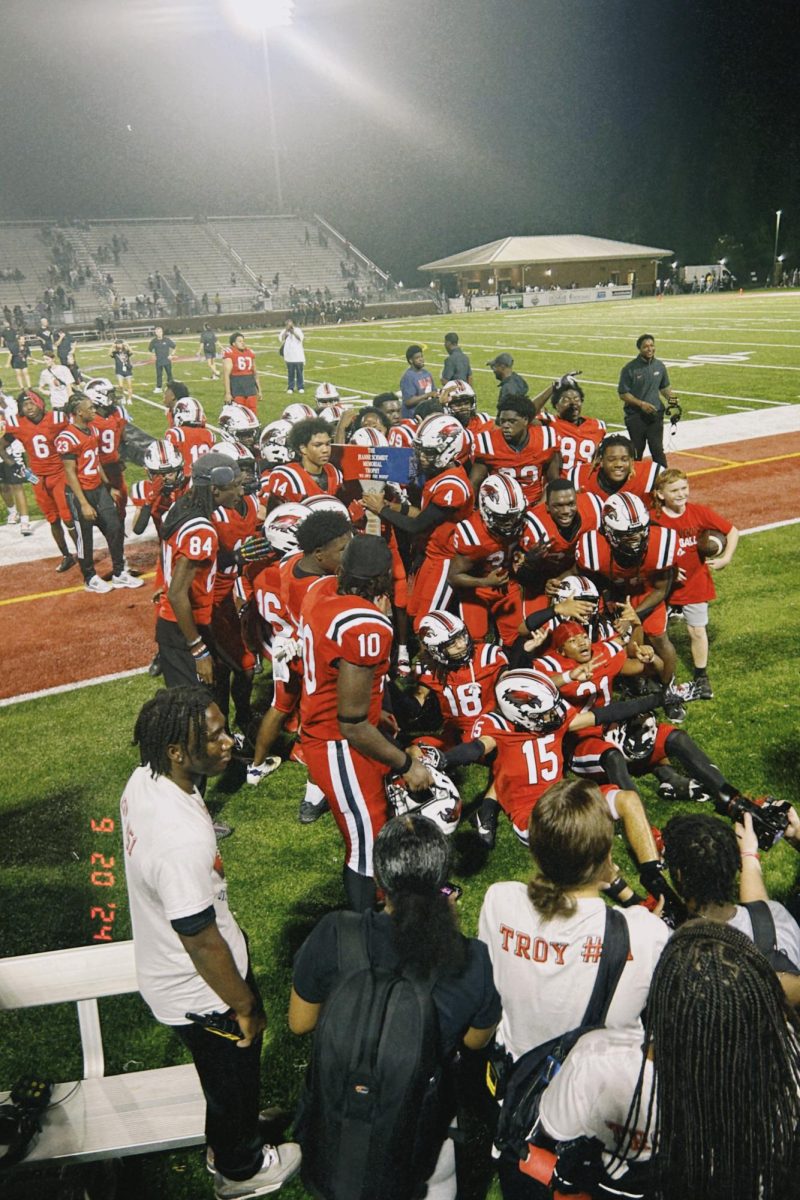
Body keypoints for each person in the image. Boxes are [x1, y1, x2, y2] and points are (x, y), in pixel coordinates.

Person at [122, 688, 301, 1199]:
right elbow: (199, 940)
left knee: (224, 1079)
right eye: (216, 737)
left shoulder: (146, 778)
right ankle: (239, 1168)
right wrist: (243, 1004)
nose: (230, 742)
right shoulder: (179, 842)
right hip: (202, 991)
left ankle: (230, 1136)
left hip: (173, 972)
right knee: (232, 1075)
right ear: (178, 750)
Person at [289, 814, 501, 1200]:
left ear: (380, 882)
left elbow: (300, 1022)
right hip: (423, 1141)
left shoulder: (334, 931)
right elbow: (475, 1042)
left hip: (335, 1129)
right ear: (442, 883)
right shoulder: (473, 960)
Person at [478, 778, 669, 1200]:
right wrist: (620, 887)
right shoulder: (644, 933)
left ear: (535, 848)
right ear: (606, 857)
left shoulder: (498, 901)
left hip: (517, 1099)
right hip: (596, 1116)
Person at [297, 535, 433, 910]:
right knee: (365, 844)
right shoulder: (366, 627)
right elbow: (352, 722)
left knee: (373, 827)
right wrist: (407, 764)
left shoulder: (320, 592)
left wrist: (375, 709)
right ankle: (364, 931)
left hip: (324, 727)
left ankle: (377, 904)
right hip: (338, 744)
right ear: (384, 580)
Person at [155, 452, 243, 690]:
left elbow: (168, 551)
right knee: (195, 706)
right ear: (215, 490)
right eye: (235, 486)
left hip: (174, 624)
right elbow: (176, 593)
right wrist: (197, 647)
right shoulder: (201, 530)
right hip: (185, 624)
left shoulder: (182, 504)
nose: (240, 493)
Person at [652, 468, 739, 699]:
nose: (681, 494)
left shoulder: (699, 513)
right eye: (674, 490)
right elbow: (645, 551)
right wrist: (667, 569)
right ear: (660, 494)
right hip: (663, 586)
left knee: (697, 631)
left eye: (684, 488)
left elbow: (732, 531)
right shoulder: (654, 519)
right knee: (655, 633)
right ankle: (655, 675)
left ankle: (701, 676)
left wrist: (726, 558)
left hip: (695, 583)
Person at [54, 391, 142, 593]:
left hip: (98, 488)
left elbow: (96, 461)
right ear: (78, 412)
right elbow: (70, 473)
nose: (94, 410)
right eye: (90, 408)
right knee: (85, 538)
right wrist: (83, 502)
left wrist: (108, 485)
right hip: (80, 492)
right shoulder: (67, 437)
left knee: (114, 527)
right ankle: (90, 577)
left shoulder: (91, 430)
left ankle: (119, 573)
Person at [3, 389, 76, 563]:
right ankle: (66, 556)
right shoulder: (17, 423)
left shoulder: (56, 418)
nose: (28, 407)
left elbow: (74, 437)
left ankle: (83, 555)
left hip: (59, 474)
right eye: (24, 404)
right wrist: (15, 466)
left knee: (69, 518)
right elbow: (2, 445)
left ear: (40, 403)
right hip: (38, 478)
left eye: (31, 403)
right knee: (52, 519)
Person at [470, 395, 560, 507]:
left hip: (534, 504)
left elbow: (553, 481)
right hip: (500, 507)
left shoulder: (545, 439)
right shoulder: (487, 443)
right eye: (503, 421)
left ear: (526, 420)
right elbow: (474, 484)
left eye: (512, 421)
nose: (506, 426)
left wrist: (539, 508)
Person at [617, 334, 677, 468]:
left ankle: (663, 478)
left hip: (655, 415)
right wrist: (641, 404)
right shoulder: (630, 369)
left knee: (657, 450)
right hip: (636, 417)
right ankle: (634, 482)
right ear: (639, 349)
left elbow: (664, 388)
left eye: (651, 345)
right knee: (637, 452)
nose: (649, 349)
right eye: (645, 347)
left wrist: (674, 402)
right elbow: (623, 394)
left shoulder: (660, 366)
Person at [262, 418, 343, 507]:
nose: (325, 450)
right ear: (303, 448)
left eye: (328, 444)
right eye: (318, 445)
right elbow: (274, 516)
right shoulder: (286, 477)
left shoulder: (334, 472)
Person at [223, 333, 260, 415]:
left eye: (243, 341)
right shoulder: (230, 353)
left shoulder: (249, 352)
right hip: (237, 386)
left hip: (250, 386)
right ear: (233, 344)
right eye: (239, 341)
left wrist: (259, 390)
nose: (243, 343)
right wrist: (228, 393)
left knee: (252, 412)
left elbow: (255, 373)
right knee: (239, 412)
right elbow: (226, 375)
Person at [399, 344, 436, 418]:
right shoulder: (408, 377)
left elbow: (434, 392)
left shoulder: (427, 373)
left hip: (426, 414)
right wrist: (427, 395)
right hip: (413, 416)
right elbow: (408, 401)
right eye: (417, 358)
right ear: (411, 360)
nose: (421, 359)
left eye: (421, 356)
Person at [279, 320, 305, 394]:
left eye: (290, 324)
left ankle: (300, 387)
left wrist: (293, 332)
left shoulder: (298, 330)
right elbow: (281, 339)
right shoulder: (284, 331)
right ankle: (291, 387)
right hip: (289, 357)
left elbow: (300, 338)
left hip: (298, 356)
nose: (289, 326)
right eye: (287, 325)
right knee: (290, 373)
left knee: (299, 373)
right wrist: (286, 331)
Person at [149, 325, 176, 393]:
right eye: (157, 332)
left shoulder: (167, 340)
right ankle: (159, 387)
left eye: (160, 331)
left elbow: (174, 347)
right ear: (155, 333)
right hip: (158, 361)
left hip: (167, 360)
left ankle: (170, 388)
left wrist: (171, 355)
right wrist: (153, 355)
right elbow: (150, 349)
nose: (159, 333)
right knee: (159, 374)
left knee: (169, 374)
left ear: (162, 332)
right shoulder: (153, 341)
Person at [111, 338, 134, 403]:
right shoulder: (115, 353)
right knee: (120, 386)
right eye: (117, 344)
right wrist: (112, 347)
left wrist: (127, 345)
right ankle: (123, 397)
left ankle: (129, 399)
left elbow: (131, 352)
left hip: (127, 370)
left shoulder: (126, 351)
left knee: (129, 385)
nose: (119, 345)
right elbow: (109, 354)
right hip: (119, 371)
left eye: (120, 343)